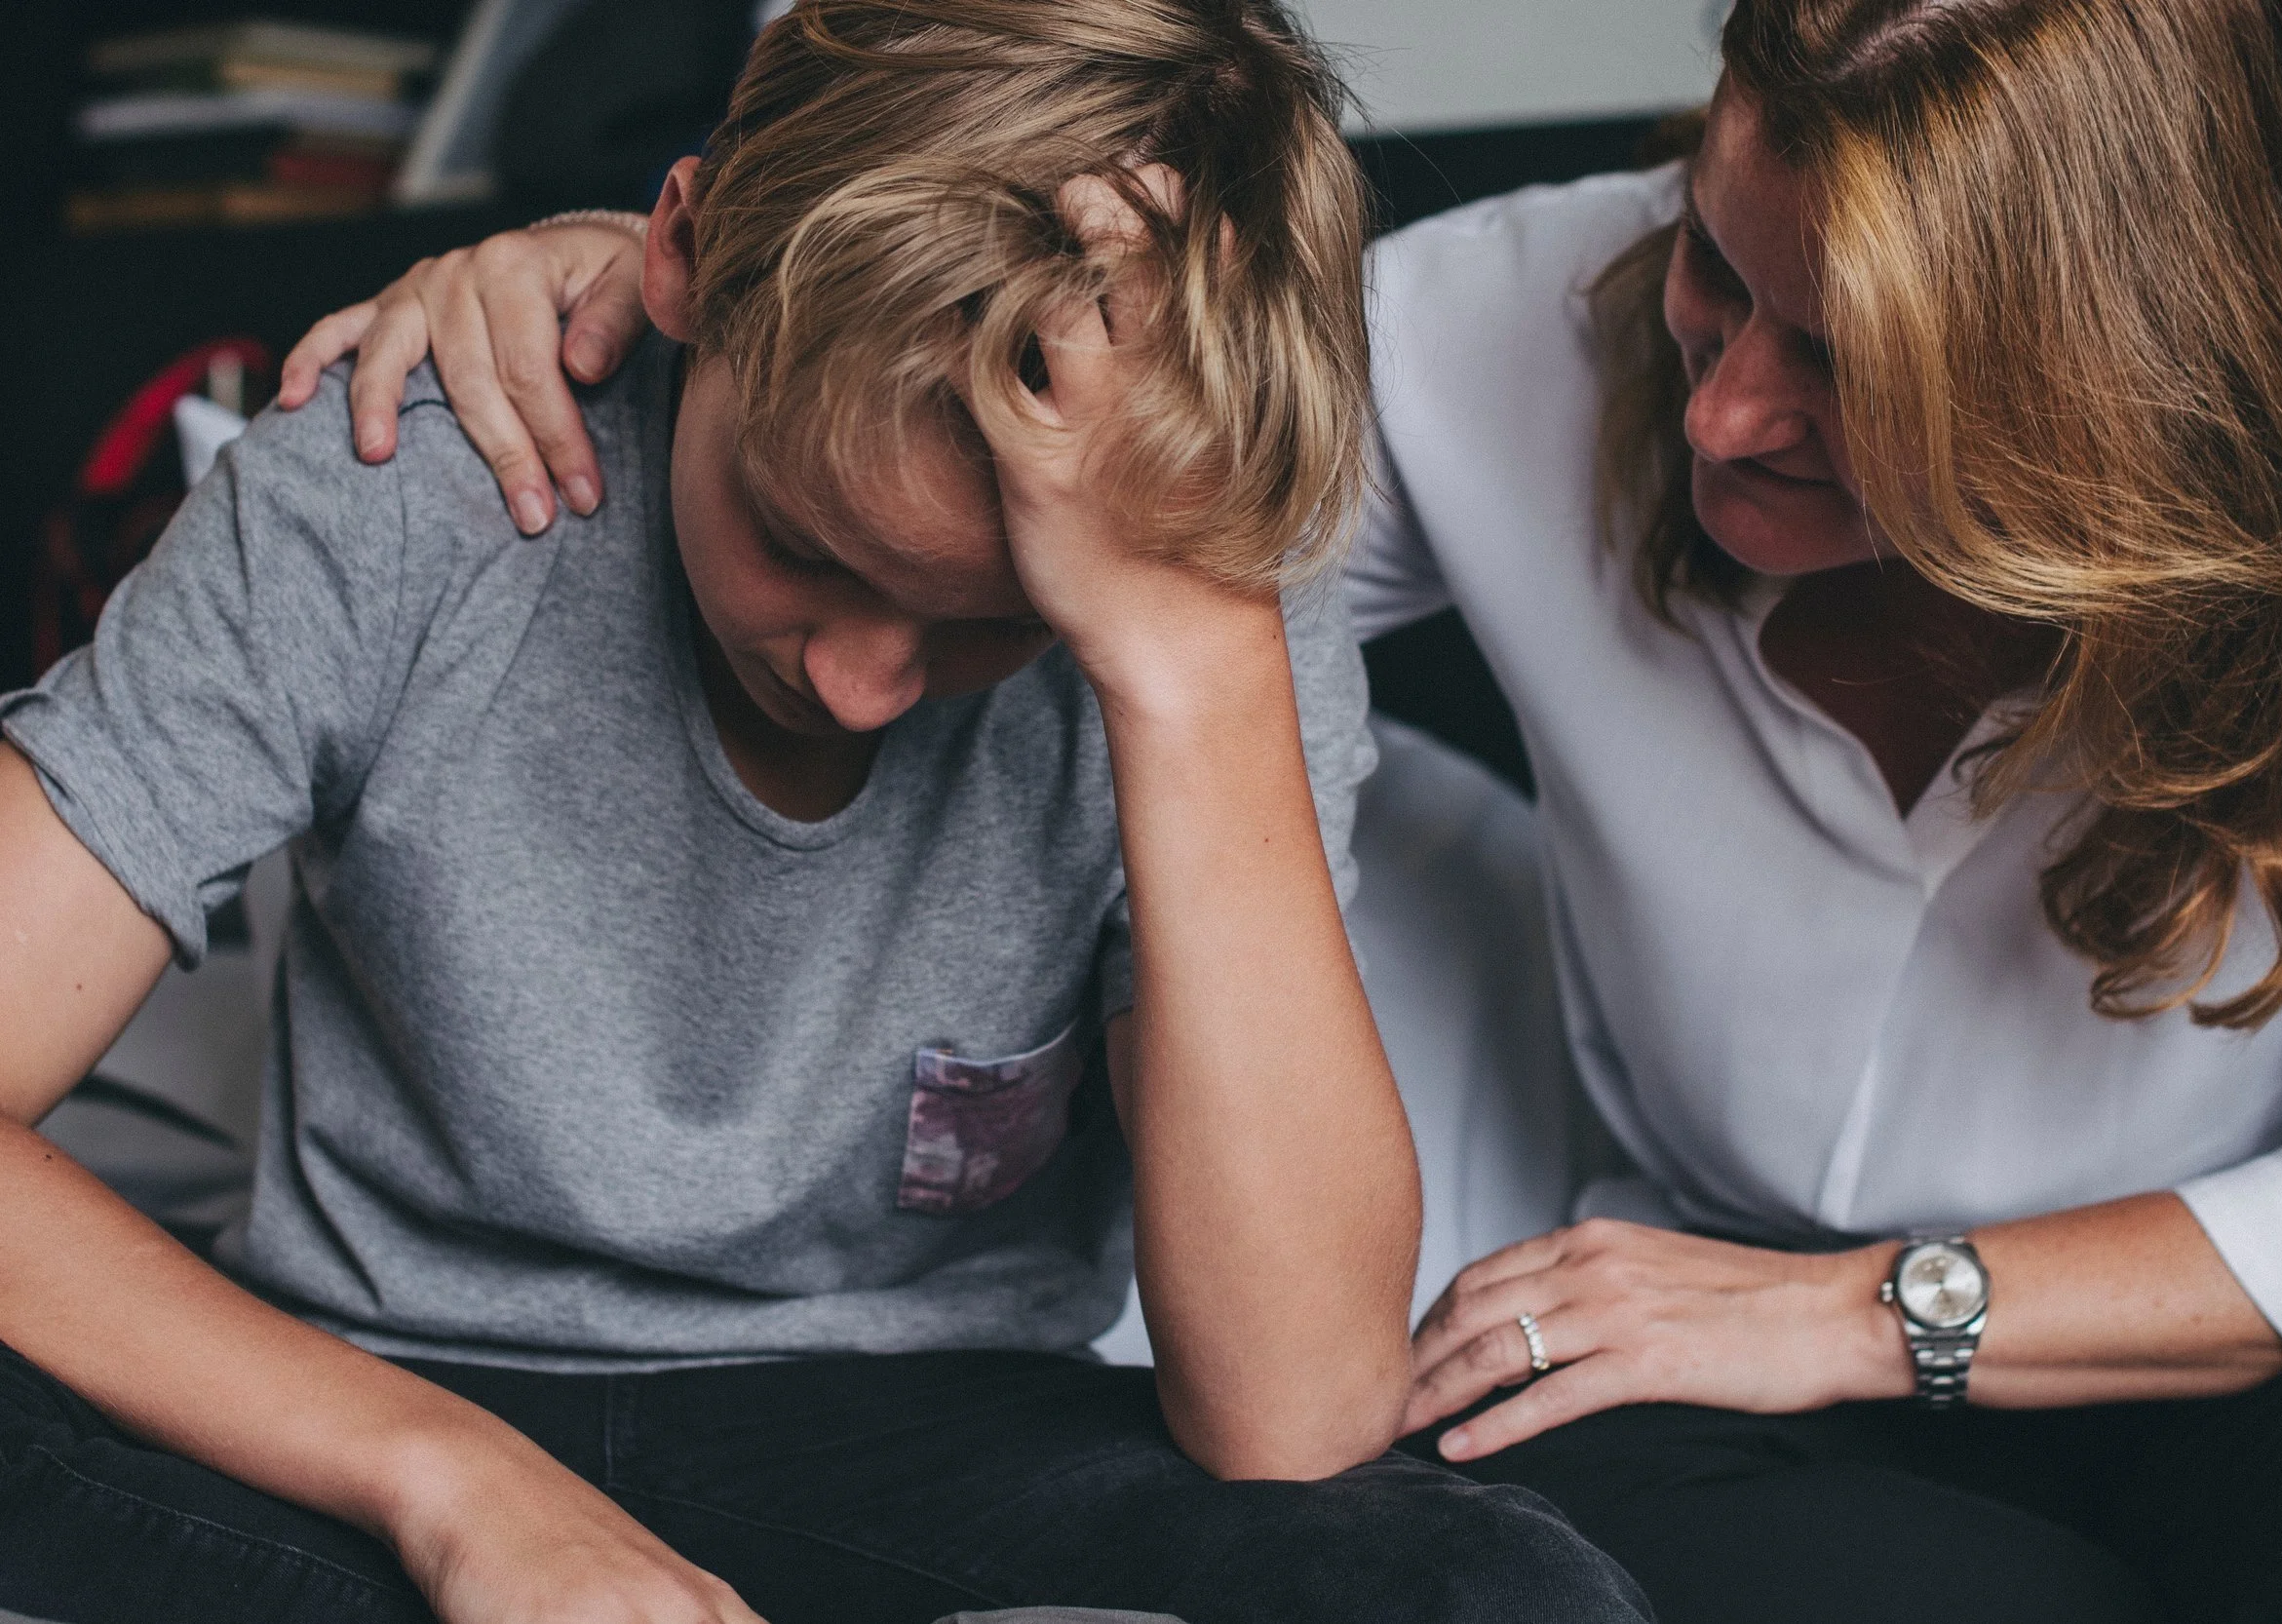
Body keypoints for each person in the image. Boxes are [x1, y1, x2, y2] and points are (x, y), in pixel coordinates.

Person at [328, 0, 2282, 1620]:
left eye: (1850, 366)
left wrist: (1855, 1308)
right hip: (1678, 1359)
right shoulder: (1515, 327)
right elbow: (1035, 437)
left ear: (2132, 391)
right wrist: (640, 280)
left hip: (2261, 1357)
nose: (1716, 405)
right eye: (1715, 266)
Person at [0, 5, 1650, 1623]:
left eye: (990, 621)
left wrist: (1190, 675)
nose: (865, 685)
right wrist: (456, 1487)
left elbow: (1295, 1417)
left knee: (1491, 1588)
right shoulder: (408, 486)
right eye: (805, 542)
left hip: (932, 1431)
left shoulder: (1201, 621)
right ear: (682, 262)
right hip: (383, 1392)